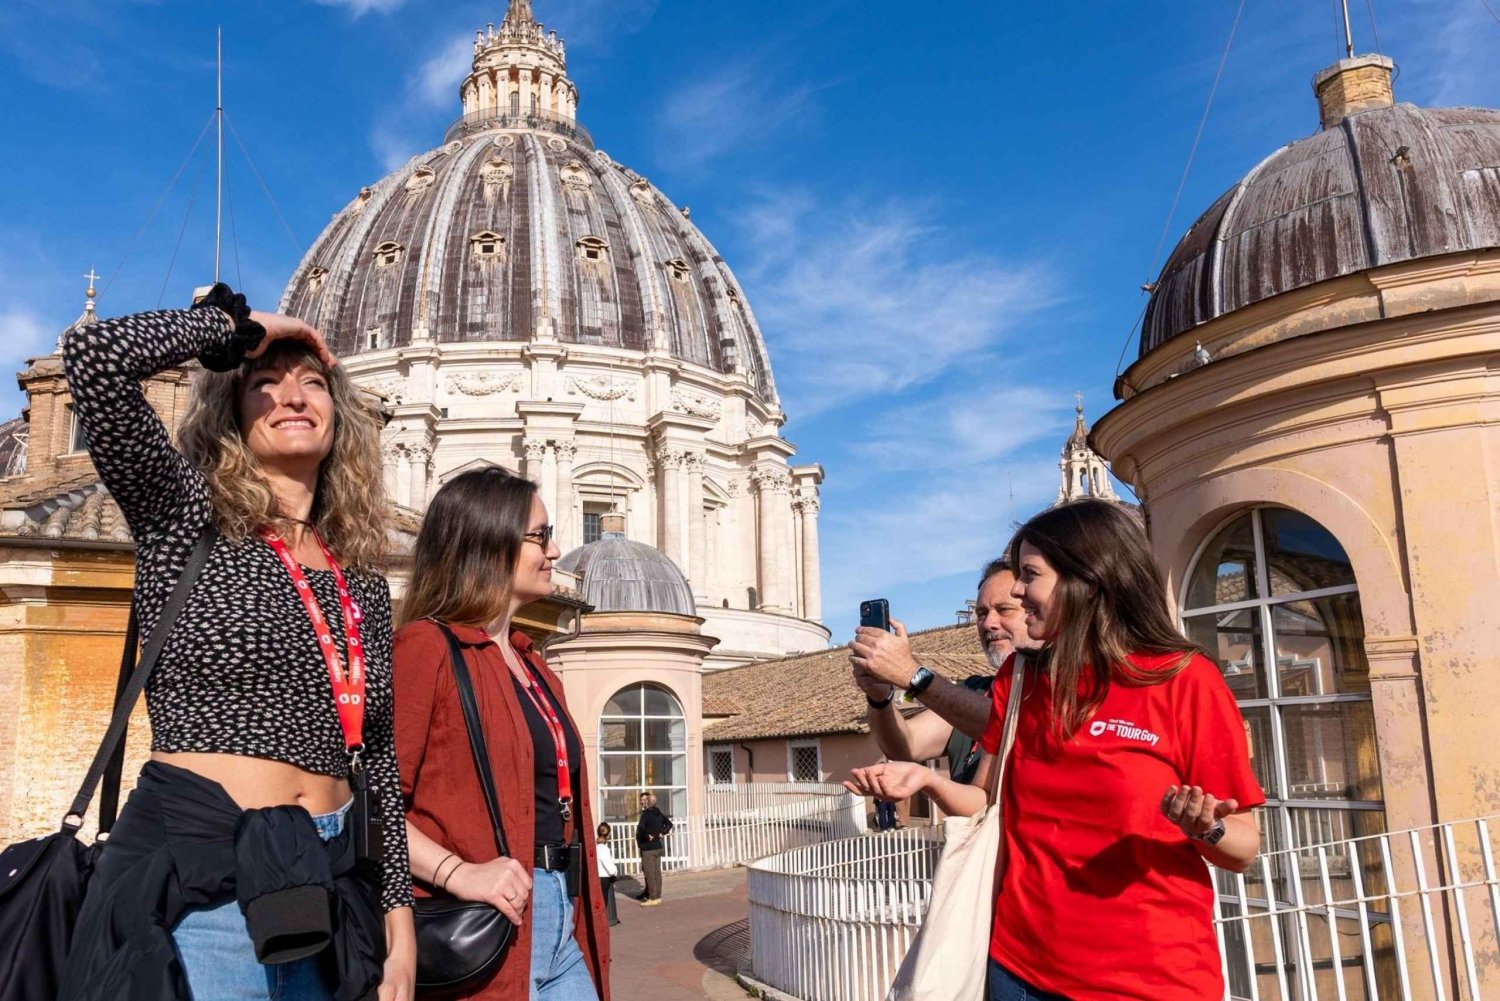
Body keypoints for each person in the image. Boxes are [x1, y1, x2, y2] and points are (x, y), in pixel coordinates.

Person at [58, 285, 415, 1000]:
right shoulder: (183, 516)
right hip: (204, 890)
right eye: (266, 382)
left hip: (329, 891)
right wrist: (241, 329)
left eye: (313, 382)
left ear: (340, 416)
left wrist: (399, 925)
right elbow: (93, 356)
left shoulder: (360, 578)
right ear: (230, 411)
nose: (293, 395)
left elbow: (377, 758)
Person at [845, 500, 1263, 1000]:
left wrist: (1205, 827)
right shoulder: (1021, 680)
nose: (1018, 592)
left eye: (1029, 575)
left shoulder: (1184, 680)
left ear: (1087, 577)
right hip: (1018, 970)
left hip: (1149, 980)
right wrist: (911, 732)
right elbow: (956, 751)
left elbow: (1243, 848)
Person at [393, 467, 610, 1000]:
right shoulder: (427, 648)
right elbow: (371, 802)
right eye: (540, 535)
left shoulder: (538, 669)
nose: (556, 551)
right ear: (487, 541)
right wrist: (458, 873)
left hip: (560, 912)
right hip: (483, 917)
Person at [850, 558, 1036, 785]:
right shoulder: (975, 690)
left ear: (1034, 610)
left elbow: (1016, 724)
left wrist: (911, 674)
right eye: (981, 613)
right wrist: (879, 698)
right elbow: (906, 746)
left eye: (1004, 610)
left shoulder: (1062, 689)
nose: (988, 623)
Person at [634, 792, 673, 906]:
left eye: (645, 800)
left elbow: (641, 829)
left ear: (647, 802)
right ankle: (658, 896)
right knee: (657, 873)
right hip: (658, 846)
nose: (643, 802)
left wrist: (647, 836)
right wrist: (662, 832)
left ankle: (653, 897)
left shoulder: (646, 814)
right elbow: (669, 824)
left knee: (650, 873)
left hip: (648, 848)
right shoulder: (658, 813)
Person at [596, 823, 620, 927]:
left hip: (598, 876)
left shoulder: (596, 847)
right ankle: (601, 922)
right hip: (604, 877)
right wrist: (615, 871)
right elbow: (609, 867)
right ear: (608, 834)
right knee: (603, 901)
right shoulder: (604, 849)